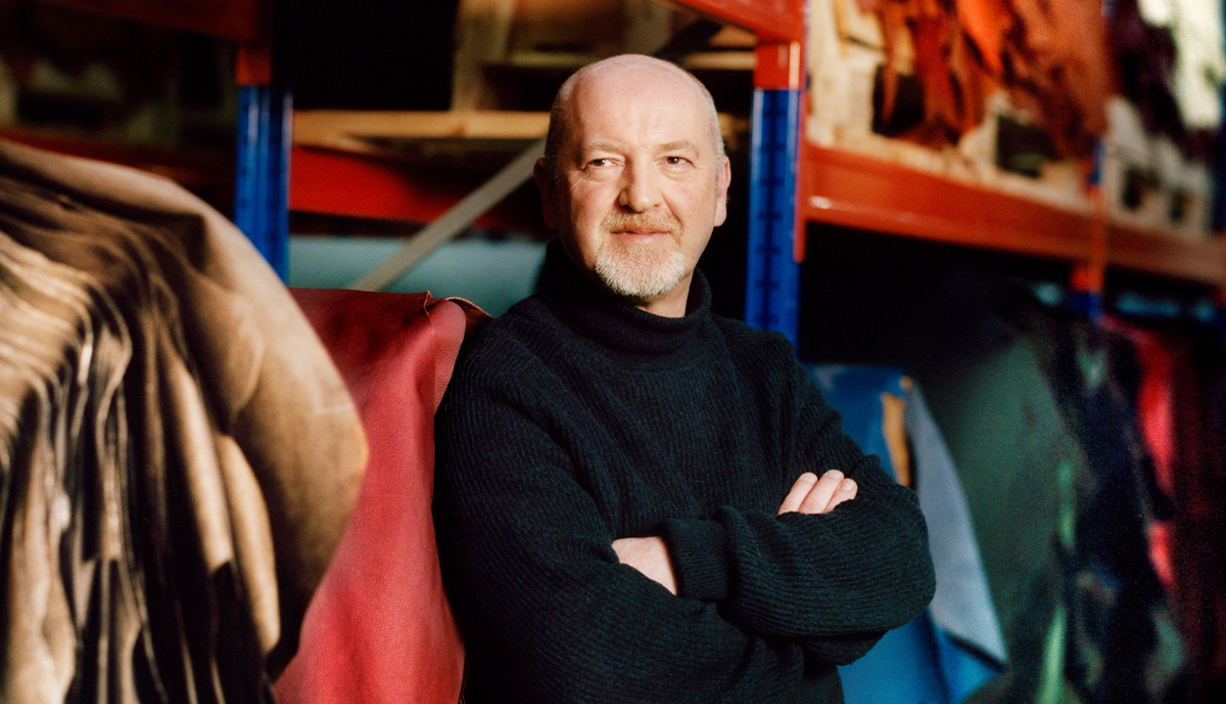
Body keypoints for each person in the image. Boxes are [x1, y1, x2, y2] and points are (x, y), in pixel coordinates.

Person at [432, 54, 936, 703]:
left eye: (674, 160)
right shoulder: (504, 385)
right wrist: (806, 629)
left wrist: (684, 560)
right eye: (603, 162)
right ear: (550, 193)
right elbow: (583, 665)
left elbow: (900, 557)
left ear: (721, 191)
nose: (640, 196)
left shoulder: (763, 370)